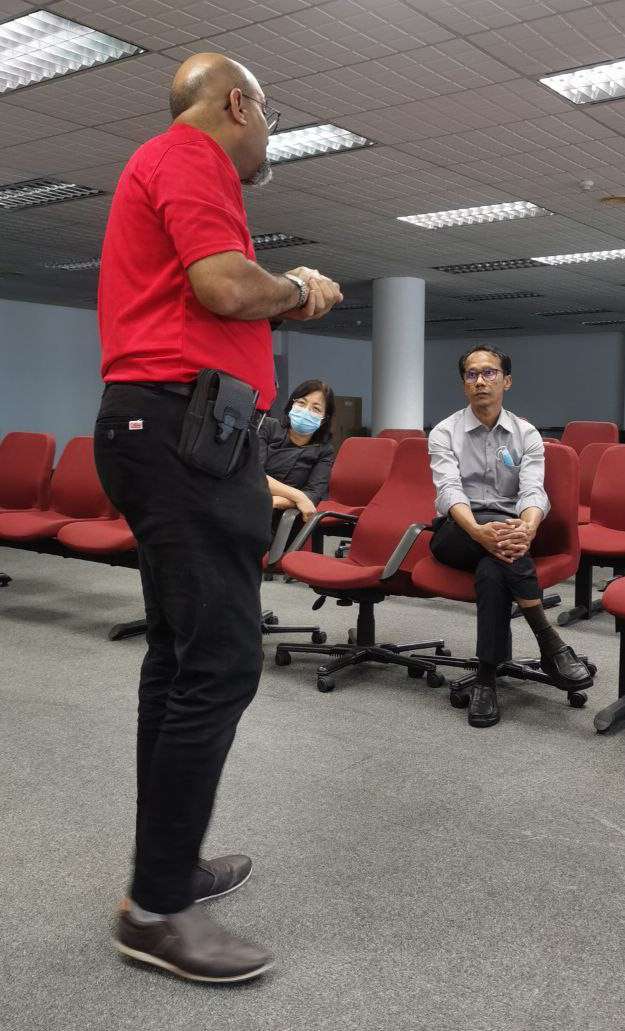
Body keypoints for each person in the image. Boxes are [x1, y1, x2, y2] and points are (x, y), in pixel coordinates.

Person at [94, 52, 342, 984]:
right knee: (224, 662)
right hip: (178, 427)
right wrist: (298, 288)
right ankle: (157, 909)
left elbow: (203, 299)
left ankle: (166, 869)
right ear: (239, 103)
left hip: (172, 428)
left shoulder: (163, 163)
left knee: (178, 658)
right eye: (268, 113)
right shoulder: (193, 154)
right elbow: (227, 288)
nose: (268, 132)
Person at [428, 345, 592, 729]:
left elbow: (533, 491)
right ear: (464, 384)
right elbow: (448, 491)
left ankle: (486, 679)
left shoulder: (526, 433)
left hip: (509, 528)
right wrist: (477, 531)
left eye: (489, 372)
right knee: (501, 549)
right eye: (471, 374)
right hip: (458, 530)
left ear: (507, 381)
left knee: (493, 569)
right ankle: (549, 640)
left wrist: (528, 527)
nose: (480, 381)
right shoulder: (444, 432)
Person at [259, 379, 336, 534]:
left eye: (316, 409)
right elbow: (255, 475)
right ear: (291, 404)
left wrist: (276, 501)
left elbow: (313, 495)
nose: (306, 411)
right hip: (249, 505)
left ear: (324, 419)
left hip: (286, 520)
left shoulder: (324, 450)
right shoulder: (267, 427)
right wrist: (299, 497)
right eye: (301, 403)